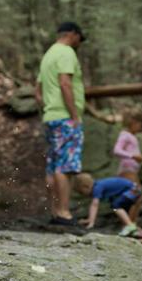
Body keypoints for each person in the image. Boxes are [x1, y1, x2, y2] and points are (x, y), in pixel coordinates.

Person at [35, 21, 86, 226]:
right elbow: (65, 83)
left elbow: (37, 92)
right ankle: (64, 212)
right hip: (65, 118)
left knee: (53, 166)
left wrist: (48, 108)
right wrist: (74, 115)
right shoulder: (66, 52)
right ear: (73, 34)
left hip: (51, 117)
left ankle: (55, 211)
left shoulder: (48, 55)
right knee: (65, 167)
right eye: (79, 39)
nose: (79, 43)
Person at [75, 173, 142, 237]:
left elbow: (94, 204)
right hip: (133, 190)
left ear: (86, 186)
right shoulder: (100, 185)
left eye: (81, 192)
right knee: (120, 210)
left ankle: (130, 226)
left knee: (116, 206)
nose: (83, 195)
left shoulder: (97, 187)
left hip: (132, 190)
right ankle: (136, 230)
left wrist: (91, 221)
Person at [114, 109, 142, 223]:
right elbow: (117, 150)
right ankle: (130, 225)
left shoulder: (131, 136)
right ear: (133, 122)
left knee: (136, 198)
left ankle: (131, 224)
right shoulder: (125, 135)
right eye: (140, 124)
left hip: (132, 171)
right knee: (135, 197)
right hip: (127, 171)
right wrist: (133, 156)